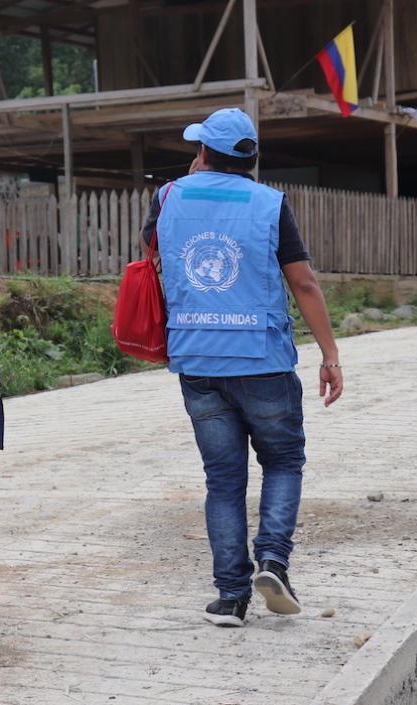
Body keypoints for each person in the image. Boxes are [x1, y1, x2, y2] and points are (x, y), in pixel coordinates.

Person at [142, 108, 345, 627]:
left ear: (204, 153)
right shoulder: (270, 203)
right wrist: (330, 353)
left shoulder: (167, 197)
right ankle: (273, 560)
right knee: (281, 462)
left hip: (198, 360)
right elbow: (303, 283)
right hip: (263, 361)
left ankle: (231, 596)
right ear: (250, 160)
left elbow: (155, 255)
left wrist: (187, 189)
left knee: (223, 480)